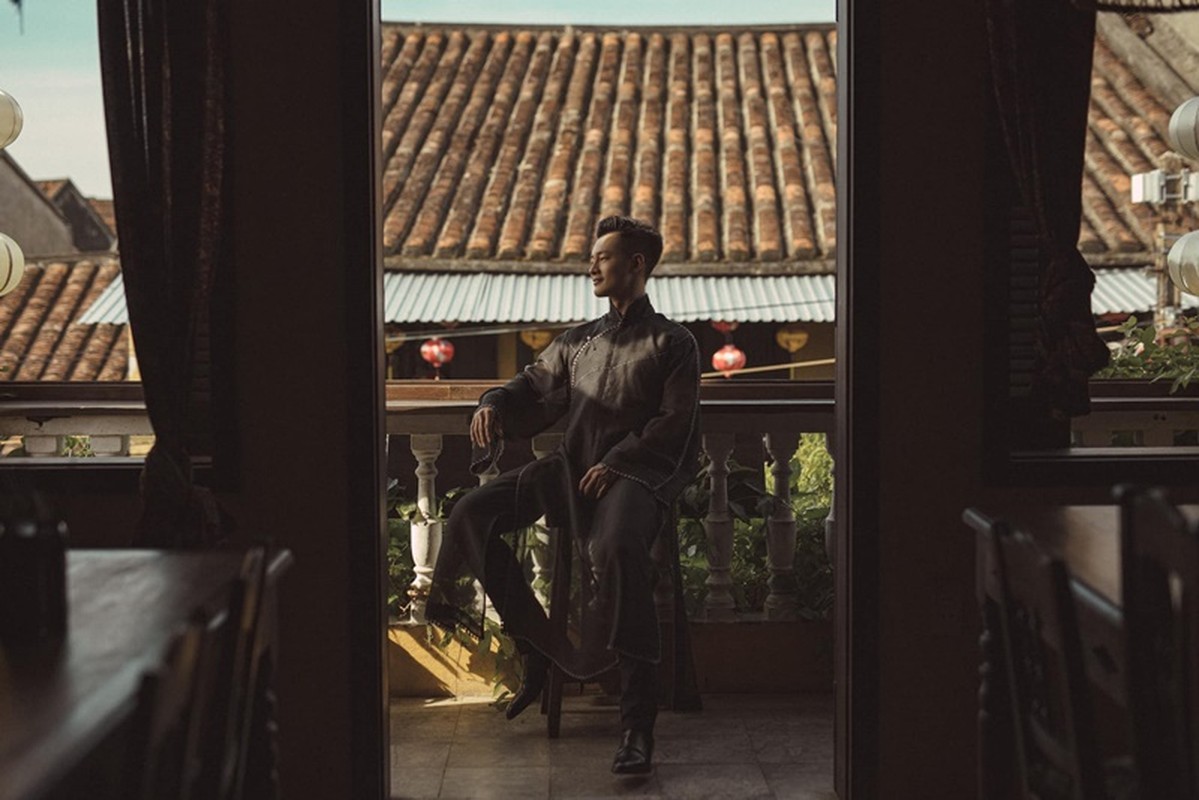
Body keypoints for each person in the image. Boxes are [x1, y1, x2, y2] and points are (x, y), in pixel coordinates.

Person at [426, 215, 701, 775]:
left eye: (602, 257)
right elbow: (530, 385)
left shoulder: (675, 342)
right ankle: (537, 648)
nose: (591, 266)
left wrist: (619, 460)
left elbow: (676, 423)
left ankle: (636, 726)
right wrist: (493, 401)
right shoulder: (579, 341)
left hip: (635, 477)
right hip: (571, 470)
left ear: (636, 266)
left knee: (620, 546)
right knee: (470, 512)